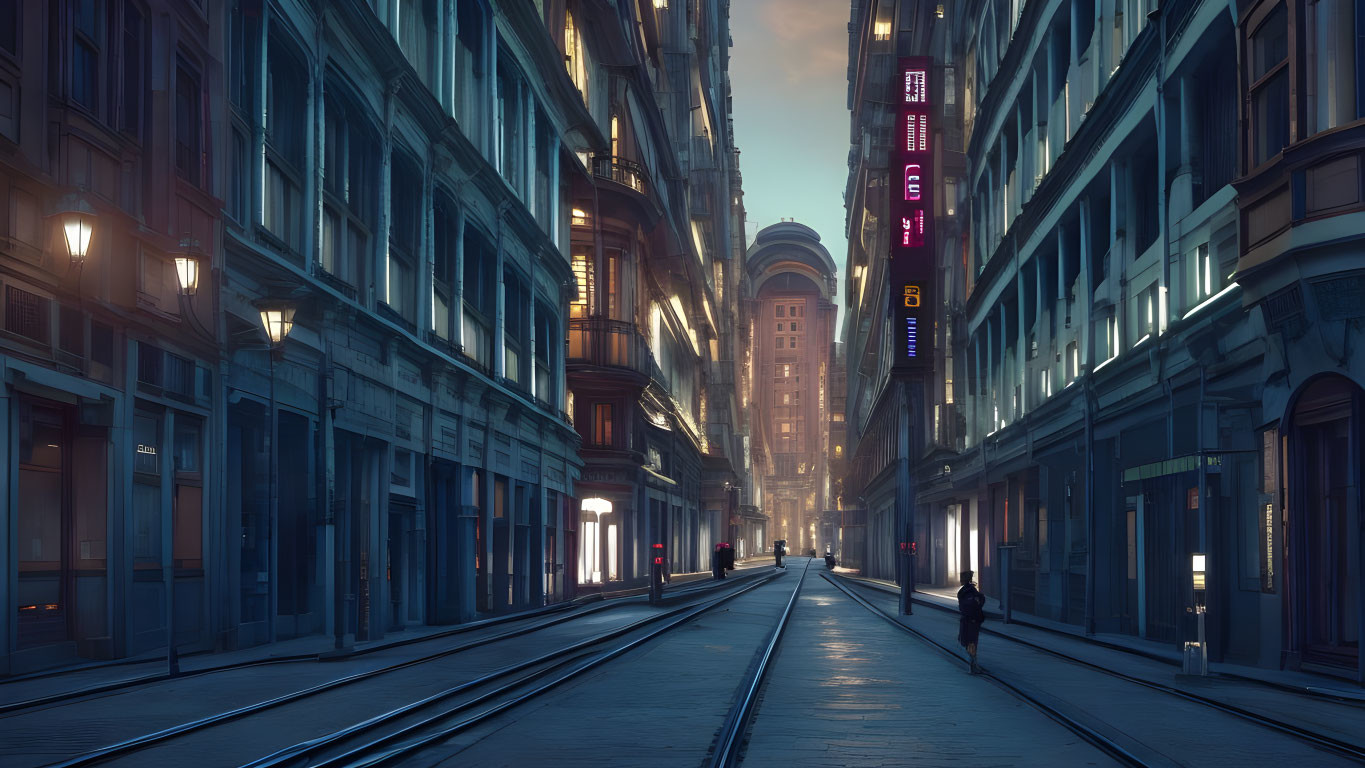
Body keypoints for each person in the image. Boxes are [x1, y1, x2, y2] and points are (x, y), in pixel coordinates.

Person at [957, 570, 986, 674]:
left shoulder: (962, 591)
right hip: (973, 620)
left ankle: (972, 665)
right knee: (972, 642)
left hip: (966, 620)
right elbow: (980, 602)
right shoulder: (972, 591)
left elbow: (962, 606)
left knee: (968, 642)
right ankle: (973, 665)